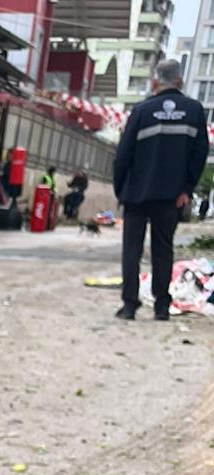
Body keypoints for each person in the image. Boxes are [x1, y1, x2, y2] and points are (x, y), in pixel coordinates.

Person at [113, 59, 209, 321]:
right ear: (179, 81)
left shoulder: (142, 111)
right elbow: (200, 153)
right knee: (163, 249)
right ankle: (161, 307)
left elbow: (123, 155)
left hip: (136, 193)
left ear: (155, 82)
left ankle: (130, 305)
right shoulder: (194, 110)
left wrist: (120, 189)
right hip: (171, 195)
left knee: (132, 250)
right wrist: (187, 188)